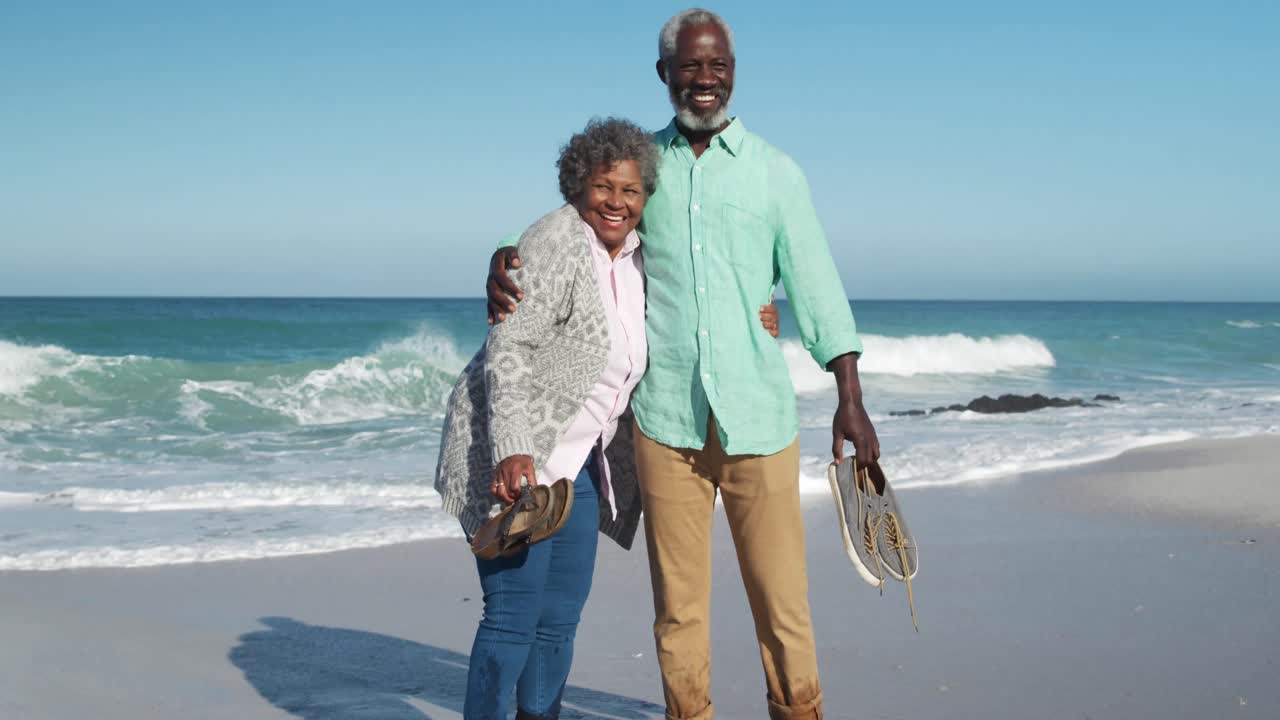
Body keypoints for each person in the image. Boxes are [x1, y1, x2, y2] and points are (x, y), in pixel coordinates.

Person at [484, 9, 880, 720]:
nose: (705, 79)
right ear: (665, 73)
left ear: (733, 73)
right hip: (667, 425)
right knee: (678, 611)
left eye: (718, 65)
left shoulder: (777, 174)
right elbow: (575, 221)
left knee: (782, 604)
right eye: (691, 66)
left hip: (759, 418)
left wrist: (850, 395)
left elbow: (817, 284)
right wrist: (504, 253)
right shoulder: (645, 167)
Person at [436, 117, 781, 720]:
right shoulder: (557, 241)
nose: (616, 202)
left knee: (559, 622)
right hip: (517, 460)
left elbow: (697, 300)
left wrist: (760, 315)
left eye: (631, 190)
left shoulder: (640, 257)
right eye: (603, 187)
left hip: (582, 469)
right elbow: (508, 347)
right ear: (576, 187)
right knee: (513, 620)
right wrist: (515, 449)